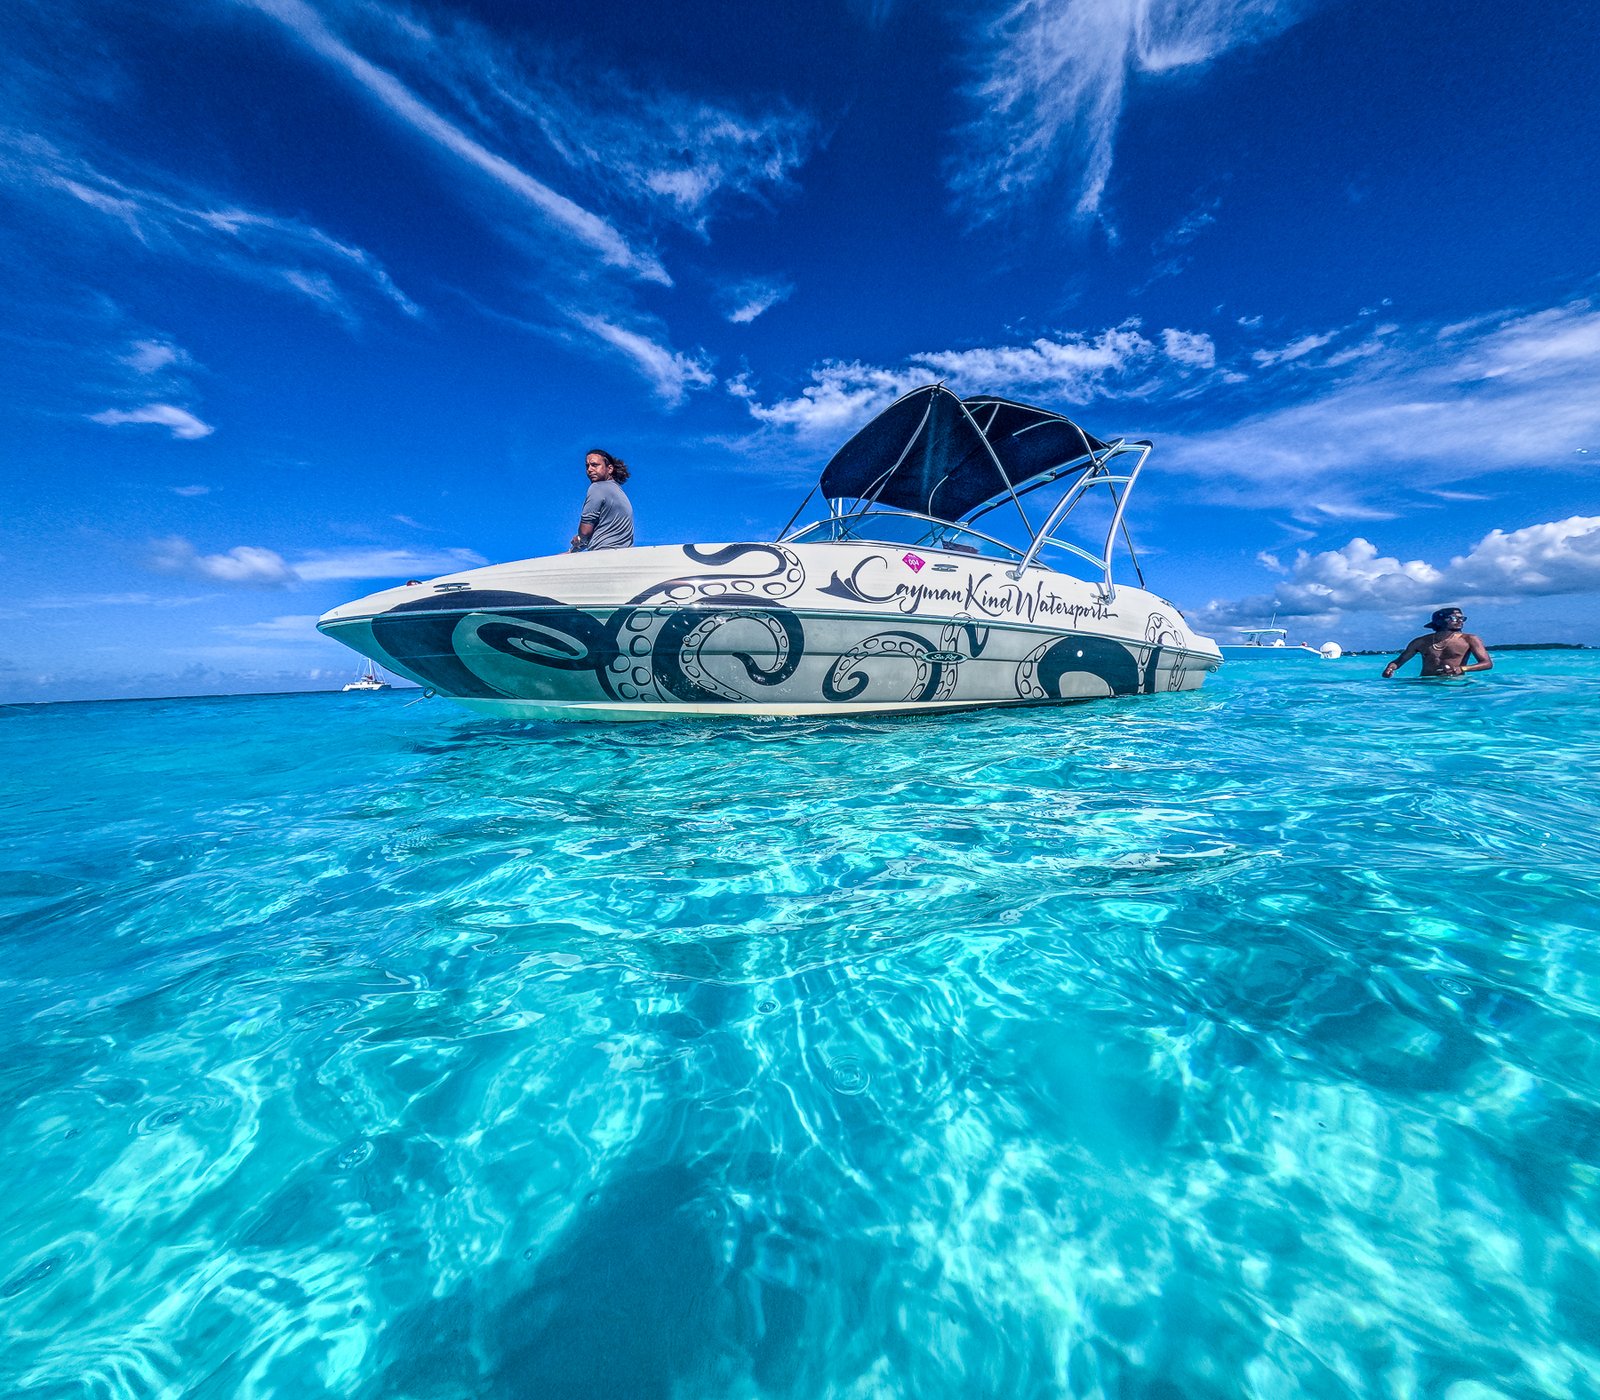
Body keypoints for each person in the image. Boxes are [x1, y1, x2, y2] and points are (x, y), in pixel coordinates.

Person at [1382, 607, 1493, 677]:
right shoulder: (1421, 642)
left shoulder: (1469, 639)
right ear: (1440, 621)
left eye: (1462, 618)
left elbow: (1487, 664)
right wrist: (1390, 668)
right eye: (1454, 618)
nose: (1460, 621)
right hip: (1426, 684)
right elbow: (1399, 661)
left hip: (1455, 685)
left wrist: (1462, 668)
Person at [569, 448, 634, 552]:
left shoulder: (597, 488)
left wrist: (579, 539)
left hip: (601, 555)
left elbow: (585, 532)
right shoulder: (620, 494)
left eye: (594, 465)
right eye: (587, 466)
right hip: (623, 556)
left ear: (610, 469)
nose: (589, 469)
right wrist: (572, 551)